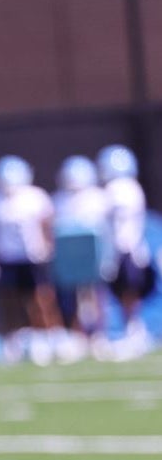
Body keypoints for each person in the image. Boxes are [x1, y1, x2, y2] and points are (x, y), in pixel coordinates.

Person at [0, 155, 64, 365]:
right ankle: (13, 341)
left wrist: (49, 246)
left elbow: (47, 224)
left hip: (33, 257)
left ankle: (46, 339)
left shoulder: (35, 197)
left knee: (40, 299)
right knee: (9, 301)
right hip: (5, 258)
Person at [49, 155, 113, 362]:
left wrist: (108, 255)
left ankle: (98, 335)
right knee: (71, 298)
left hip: (93, 255)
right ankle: (78, 336)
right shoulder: (58, 199)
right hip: (70, 258)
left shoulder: (98, 198)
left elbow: (106, 230)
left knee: (95, 296)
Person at [97, 144, 156, 359]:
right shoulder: (129, 188)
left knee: (128, 292)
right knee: (123, 293)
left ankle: (134, 331)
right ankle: (130, 330)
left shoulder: (122, 188)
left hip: (125, 249)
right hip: (125, 249)